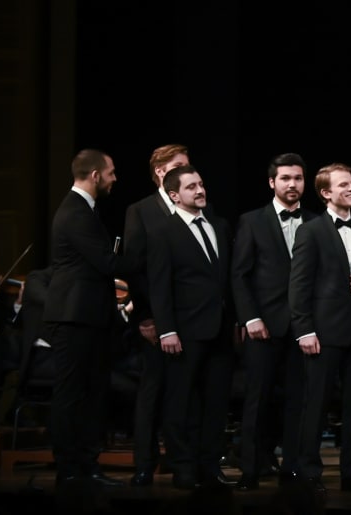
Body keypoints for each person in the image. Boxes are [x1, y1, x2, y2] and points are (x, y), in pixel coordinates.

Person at [288, 163, 351, 494]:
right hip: (324, 331)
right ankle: (308, 473)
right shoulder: (311, 231)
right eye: (343, 185)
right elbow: (299, 284)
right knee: (316, 404)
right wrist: (304, 330)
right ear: (326, 193)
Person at [231, 153, 318, 491]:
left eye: (298, 178)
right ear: (272, 182)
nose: (292, 184)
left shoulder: (316, 221)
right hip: (264, 325)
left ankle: (292, 468)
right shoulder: (252, 221)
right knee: (258, 399)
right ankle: (250, 469)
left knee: (299, 401)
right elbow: (240, 274)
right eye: (285, 178)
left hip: (304, 327)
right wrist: (250, 317)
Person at [148, 165, 236, 489]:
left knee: (216, 402)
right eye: (191, 187)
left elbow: (226, 279)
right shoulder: (163, 231)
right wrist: (166, 330)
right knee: (181, 402)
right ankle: (183, 467)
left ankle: (209, 466)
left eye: (201, 184)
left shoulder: (218, 225)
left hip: (220, 329)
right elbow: (159, 286)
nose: (200, 190)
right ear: (174, 195)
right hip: (184, 331)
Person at [43, 149, 124, 487]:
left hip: (86, 316)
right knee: (73, 394)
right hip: (74, 316)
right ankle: (70, 469)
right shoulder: (76, 212)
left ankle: (86, 466)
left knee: (91, 393)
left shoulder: (84, 209)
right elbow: (107, 262)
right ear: (95, 175)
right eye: (111, 172)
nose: (114, 179)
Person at [122, 143, 190, 486]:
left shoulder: (195, 205)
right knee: (152, 391)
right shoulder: (141, 210)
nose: (187, 172)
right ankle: (144, 464)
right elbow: (135, 269)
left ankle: (183, 462)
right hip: (156, 319)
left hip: (190, 318)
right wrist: (147, 318)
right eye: (180, 166)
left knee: (184, 393)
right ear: (161, 172)